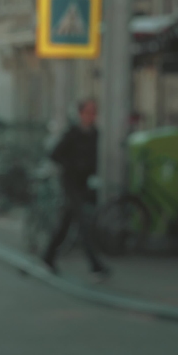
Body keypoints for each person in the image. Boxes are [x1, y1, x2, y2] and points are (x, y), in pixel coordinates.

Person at [42, 99, 111, 278]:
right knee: (83, 223)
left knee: (66, 222)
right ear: (80, 114)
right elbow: (54, 154)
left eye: (94, 112)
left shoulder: (95, 133)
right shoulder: (72, 133)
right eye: (88, 112)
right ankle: (95, 265)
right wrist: (72, 166)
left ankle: (48, 256)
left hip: (83, 184)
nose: (91, 116)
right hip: (70, 183)